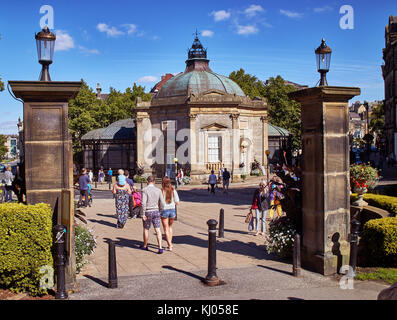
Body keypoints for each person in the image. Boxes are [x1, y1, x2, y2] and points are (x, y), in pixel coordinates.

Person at [141, 175, 166, 254]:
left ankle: (145, 245)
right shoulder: (158, 190)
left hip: (148, 211)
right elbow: (162, 202)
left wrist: (142, 214)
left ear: (147, 182)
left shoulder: (144, 190)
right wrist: (161, 210)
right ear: (154, 181)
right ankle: (160, 247)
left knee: (146, 229)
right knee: (158, 229)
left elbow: (143, 203)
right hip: (156, 211)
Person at [161, 176, 180, 251]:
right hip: (172, 210)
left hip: (164, 210)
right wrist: (172, 203)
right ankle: (170, 244)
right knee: (170, 227)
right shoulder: (173, 190)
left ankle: (170, 245)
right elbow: (177, 202)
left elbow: (160, 202)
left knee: (166, 229)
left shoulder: (162, 191)